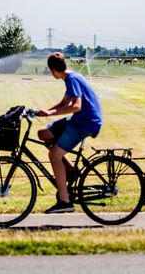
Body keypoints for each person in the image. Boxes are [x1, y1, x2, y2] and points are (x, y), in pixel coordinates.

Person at [36, 52, 103, 213]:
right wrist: (45, 111)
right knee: (43, 134)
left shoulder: (72, 79)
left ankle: (65, 201)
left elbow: (76, 106)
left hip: (85, 123)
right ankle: (71, 171)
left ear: (52, 70)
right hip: (79, 120)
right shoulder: (71, 77)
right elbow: (64, 102)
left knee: (54, 155)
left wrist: (51, 114)